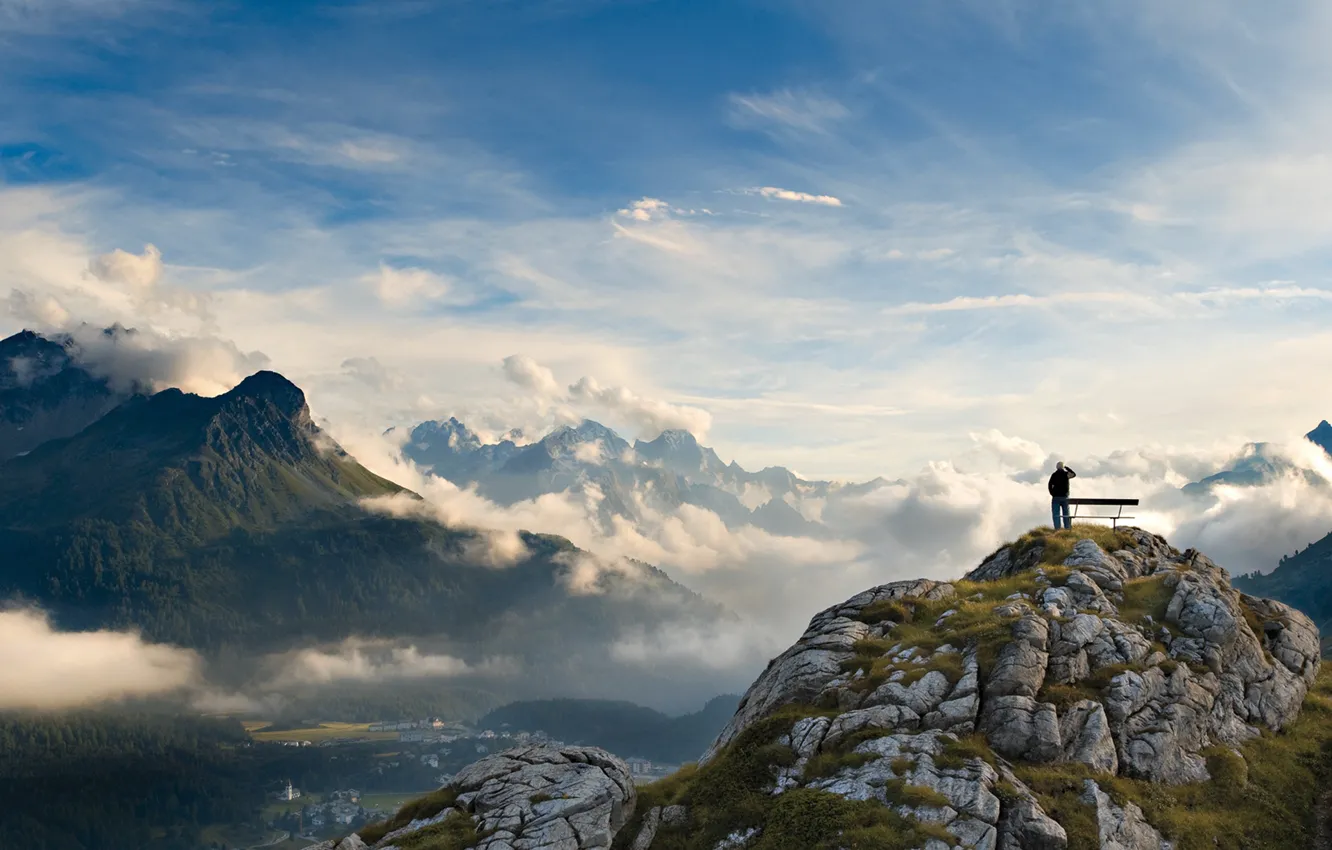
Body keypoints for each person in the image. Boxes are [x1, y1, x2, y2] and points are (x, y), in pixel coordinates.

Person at [1048, 461, 1077, 530]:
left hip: (1056, 497)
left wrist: (1052, 493)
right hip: (1065, 497)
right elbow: (1073, 474)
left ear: (1056, 467)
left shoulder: (1054, 475)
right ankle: (1067, 528)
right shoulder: (1066, 474)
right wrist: (1067, 468)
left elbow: (1050, 485)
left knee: (1056, 515)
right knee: (1066, 514)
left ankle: (1057, 529)